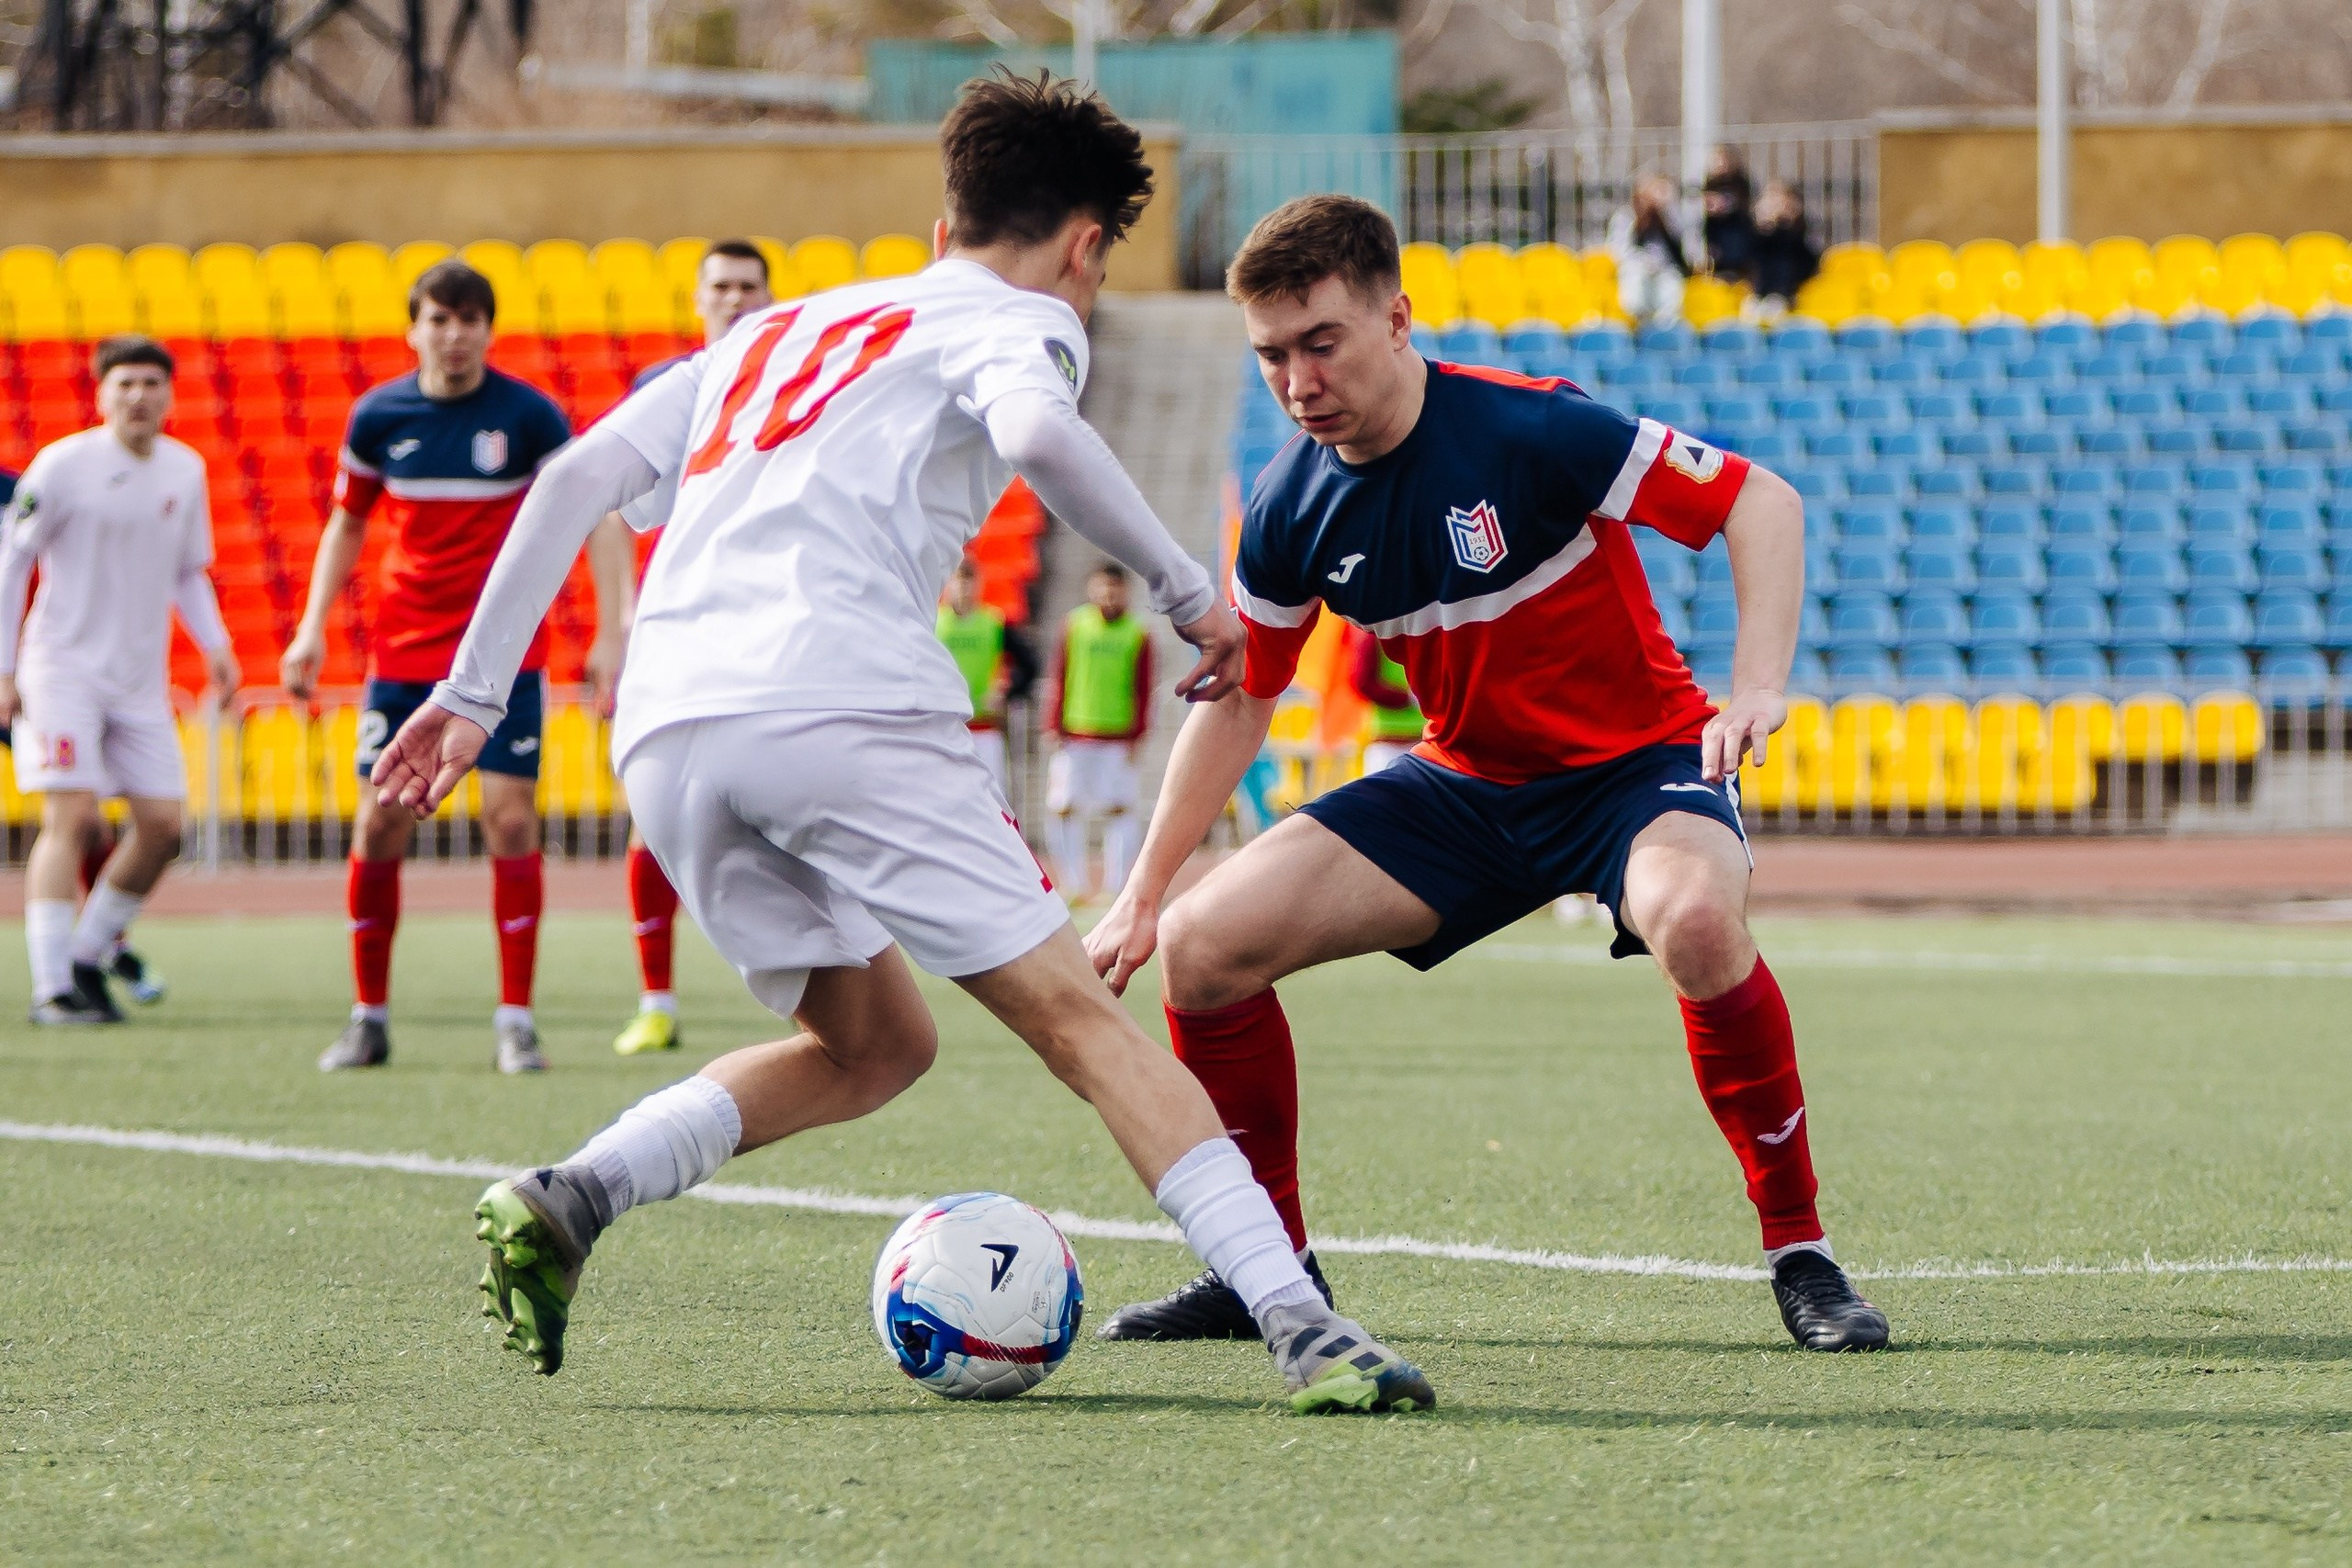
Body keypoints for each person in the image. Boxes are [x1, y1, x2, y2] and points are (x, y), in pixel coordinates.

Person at [372, 72, 1434, 1416]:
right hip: (842, 703)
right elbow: (1041, 430)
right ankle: (1302, 1322)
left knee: (873, 1042)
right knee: (1081, 1019)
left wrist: (473, 693)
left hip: (670, 730)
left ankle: (577, 1188)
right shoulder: (1026, 320)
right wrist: (1185, 591)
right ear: (1084, 246)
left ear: (945, 225)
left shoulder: (775, 328)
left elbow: (578, 476)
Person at [1084, 194, 1890, 1355]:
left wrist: (1756, 684)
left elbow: (1758, 502)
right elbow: (1247, 698)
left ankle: (1800, 1251)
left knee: (1696, 919)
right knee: (1205, 948)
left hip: (1633, 773)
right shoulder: (1286, 508)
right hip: (1462, 792)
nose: (1298, 380)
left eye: (1322, 342)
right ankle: (1259, 1267)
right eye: (1271, 355)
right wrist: (1146, 890)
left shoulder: (1530, 429)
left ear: (1397, 319)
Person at [281, 261, 633, 1075]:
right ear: (414, 329)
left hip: (503, 650)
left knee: (510, 818)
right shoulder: (378, 417)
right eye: (440, 318)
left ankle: (516, 1018)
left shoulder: (528, 415)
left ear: (489, 329)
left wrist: (614, 628)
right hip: (404, 649)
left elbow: (600, 516)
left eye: (471, 318)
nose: (455, 332)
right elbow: (345, 526)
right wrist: (310, 629)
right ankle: (368, 1015)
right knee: (380, 819)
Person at [0, 336, 241, 1023]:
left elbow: (187, 570)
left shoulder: (184, 470)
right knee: (69, 817)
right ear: (101, 393)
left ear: (169, 394)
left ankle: (87, 953)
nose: (138, 396)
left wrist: (217, 646)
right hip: (61, 669)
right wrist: (6, 668)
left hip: (139, 681)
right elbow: (13, 565)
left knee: (164, 826)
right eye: (125, 384)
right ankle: (51, 990)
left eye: (151, 384)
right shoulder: (64, 465)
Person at [610, 238, 777, 1060]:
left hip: (775, 633)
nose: (735, 298)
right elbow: (622, 509)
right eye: (722, 286)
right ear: (699, 298)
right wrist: (622, 623)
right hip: (681, 637)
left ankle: (831, 991)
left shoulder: (797, 385)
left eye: (750, 285)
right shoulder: (662, 394)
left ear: (771, 296)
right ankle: (656, 999)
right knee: (656, 817)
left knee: (797, 812)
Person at [1045, 561, 1152, 897]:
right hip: (1075, 733)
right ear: (1092, 589)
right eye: (1103, 586)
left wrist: (1139, 734)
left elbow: (1144, 686)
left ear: (1126, 591)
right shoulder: (1075, 625)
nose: (1108, 594)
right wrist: (1053, 724)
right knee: (1063, 807)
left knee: (1119, 809)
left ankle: (1116, 886)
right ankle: (1072, 883)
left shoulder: (1138, 632)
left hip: (1118, 737)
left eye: (1115, 587)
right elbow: (1059, 676)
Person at [937, 556, 1013, 795]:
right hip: (945, 725)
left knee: (992, 794)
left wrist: (1008, 688)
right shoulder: (933, 621)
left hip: (985, 725)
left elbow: (1027, 665)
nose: (963, 589)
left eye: (968, 582)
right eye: (958, 581)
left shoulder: (993, 622)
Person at [1608, 174, 1691, 327]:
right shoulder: (1625, 217)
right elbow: (1617, 251)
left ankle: (1665, 326)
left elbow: (1685, 249)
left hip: (1665, 271)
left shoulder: (1669, 219)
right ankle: (1639, 319)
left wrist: (1666, 214)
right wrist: (1642, 261)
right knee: (1634, 278)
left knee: (1670, 282)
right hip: (1636, 270)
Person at [1345, 624, 1421, 774]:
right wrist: (1406, 698)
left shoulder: (1425, 629)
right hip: (1387, 741)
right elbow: (1363, 682)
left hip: (1424, 742)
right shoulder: (1374, 634)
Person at [1747, 181, 1822, 319]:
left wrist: (1785, 224)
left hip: (1787, 293)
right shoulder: (1758, 234)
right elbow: (1750, 254)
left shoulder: (1800, 230)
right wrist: (1764, 227)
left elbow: (1807, 259)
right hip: (1761, 293)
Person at [1702, 146, 1758, 286]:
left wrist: (1724, 204)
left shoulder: (1740, 182)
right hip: (1717, 231)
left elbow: (1743, 201)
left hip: (1736, 230)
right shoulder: (1710, 183)